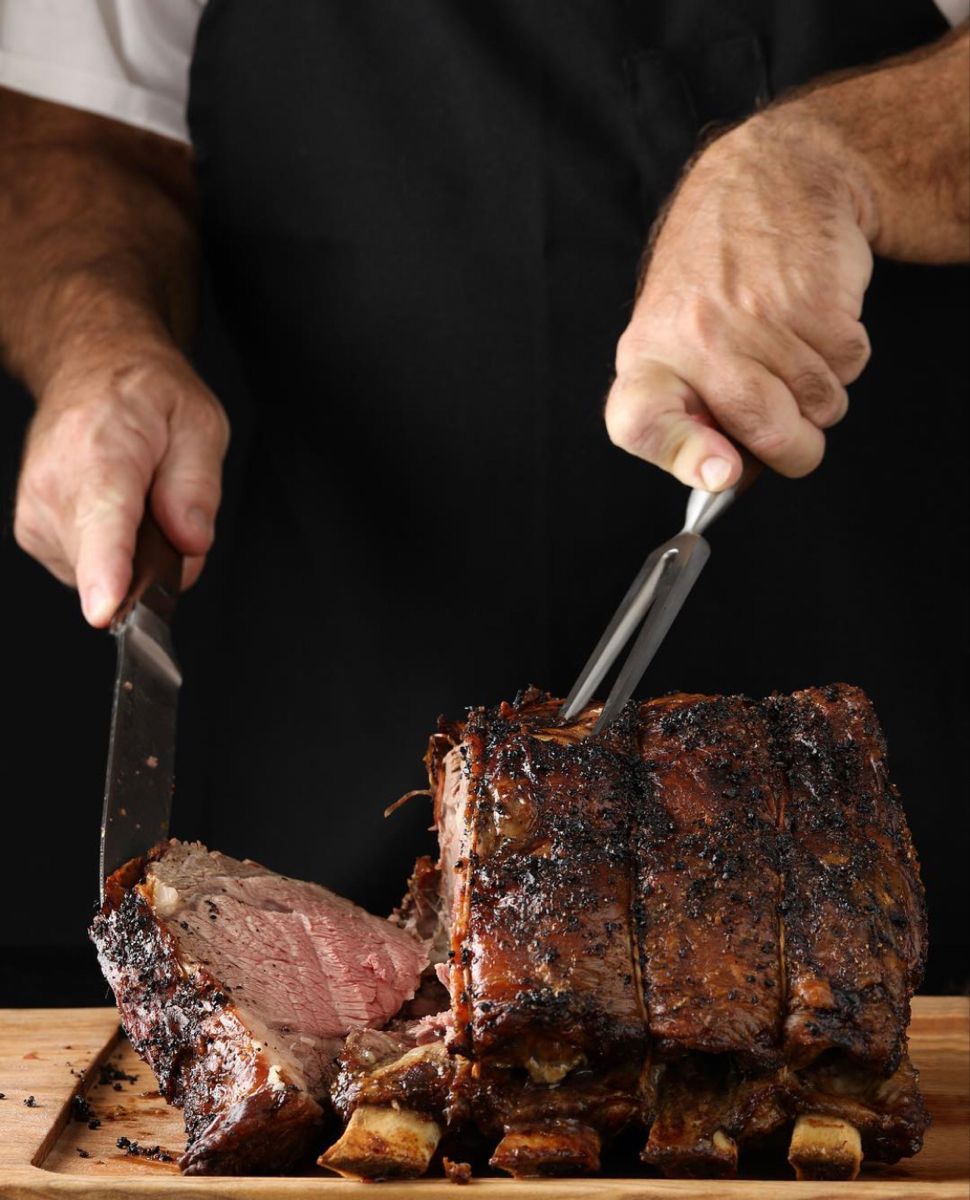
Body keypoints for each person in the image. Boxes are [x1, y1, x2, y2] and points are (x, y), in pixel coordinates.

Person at [0, 3, 967, 929]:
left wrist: (832, 154)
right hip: (340, 725)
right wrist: (98, 346)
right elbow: (76, 135)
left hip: (875, 778)